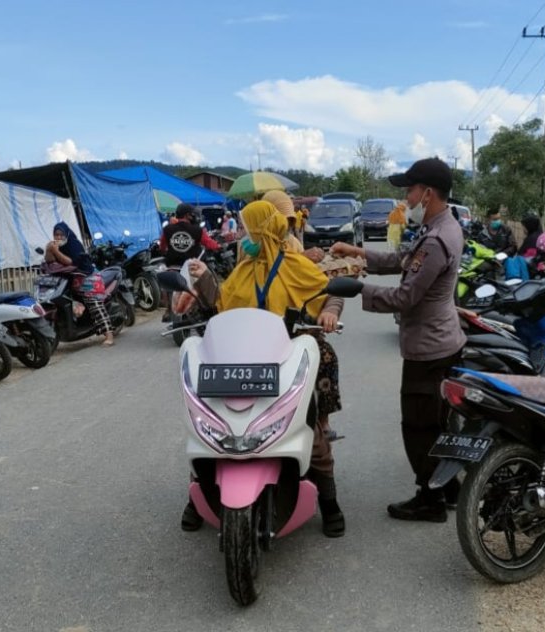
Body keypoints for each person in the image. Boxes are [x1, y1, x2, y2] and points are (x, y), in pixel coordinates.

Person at [181, 200, 347, 538]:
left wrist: (329, 312)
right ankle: (199, 494)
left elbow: (328, 293)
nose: (243, 235)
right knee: (210, 423)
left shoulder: (296, 265)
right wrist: (203, 280)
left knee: (308, 427)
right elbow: (220, 304)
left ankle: (329, 501)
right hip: (242, 356)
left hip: (287, 355)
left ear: (261, 230)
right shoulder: (244, 268)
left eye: (247, 228)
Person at [330, 157, 466, 523]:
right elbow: (405, 259)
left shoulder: (437, 239)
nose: (405, 198)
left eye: (409, 190)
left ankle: (430, 499)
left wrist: (359, 288)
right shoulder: (441, 226)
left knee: (419, 426)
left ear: (428, 193)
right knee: (436, 422)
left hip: (428, 348)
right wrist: (357, 253)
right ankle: (447, 487)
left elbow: (406, 297)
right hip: (442, 341)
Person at [43, 222, 114, 346]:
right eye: (56, 235)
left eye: (61, 234)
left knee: (94, 304)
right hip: (70, 279)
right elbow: (49, 261)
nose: (58, 237)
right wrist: (49, 250)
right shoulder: (56, 246)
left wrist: (55, 251)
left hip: (87, 278)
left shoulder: (74, 244)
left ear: (67, 234)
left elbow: (70, 262)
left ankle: (109, 335)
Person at [159, 204, 221, 321]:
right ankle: (206, 307)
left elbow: (162, 246)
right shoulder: (197, 230)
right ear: (188, 215)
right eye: (192, 214)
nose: (194, 216)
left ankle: (168, 309)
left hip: (173, 266)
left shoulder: (167, 229)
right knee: (207, 285)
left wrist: (165, 250)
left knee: (166, 285)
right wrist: (218, 246)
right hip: (192, 267)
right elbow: (209, 243)